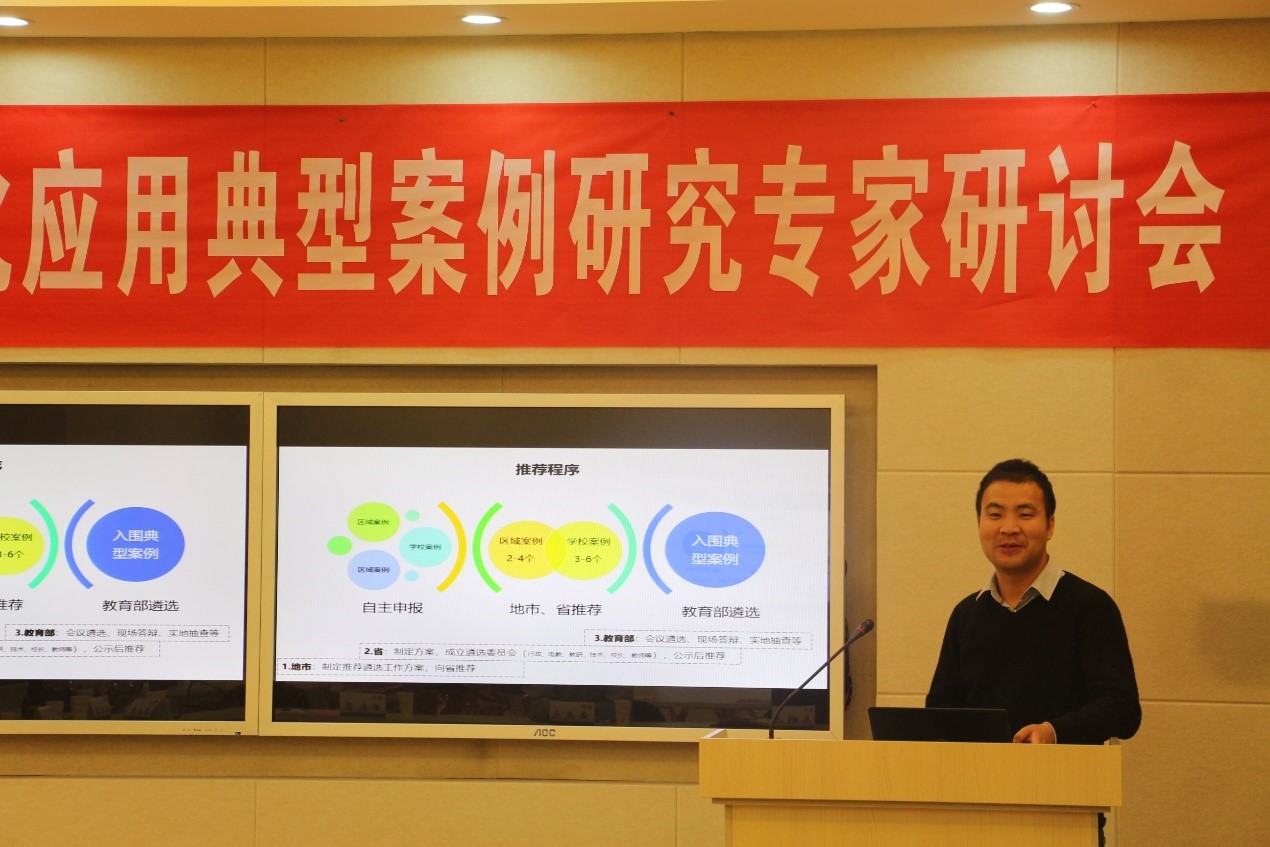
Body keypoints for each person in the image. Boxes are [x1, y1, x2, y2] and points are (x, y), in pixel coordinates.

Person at [927, 459, 1141, 746]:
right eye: (995, 515)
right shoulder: (966, 615)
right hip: (979, 774)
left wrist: (1054, 732)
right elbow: (939, 714)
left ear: (1050, 525)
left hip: (1066, 772)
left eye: (1025, 515)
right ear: (979, 523)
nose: (1009, 528)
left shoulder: (1090, 606)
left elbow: (1122, 709)